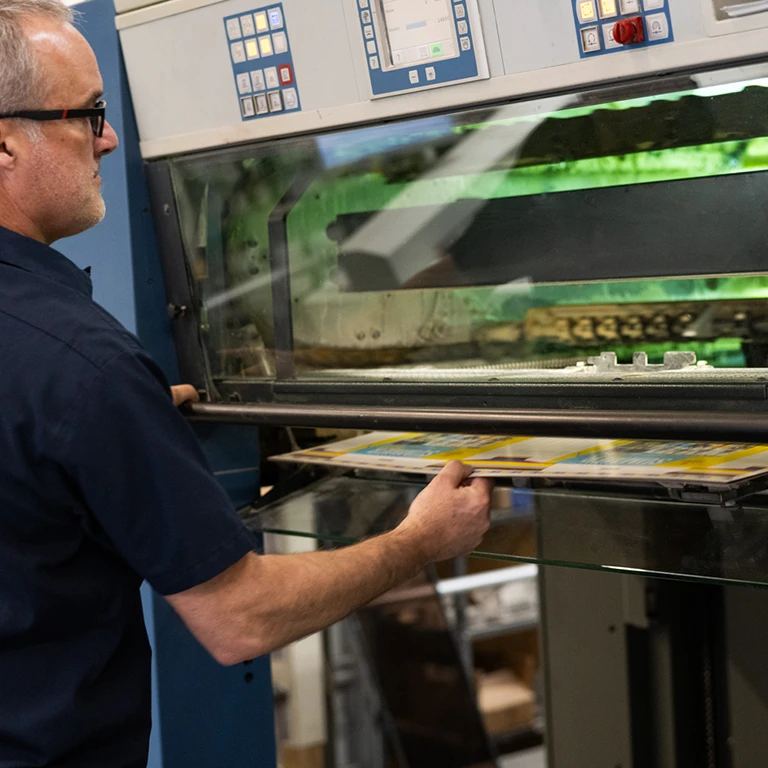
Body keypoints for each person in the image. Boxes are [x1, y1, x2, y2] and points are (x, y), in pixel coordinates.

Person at [0, 2, 493, 766]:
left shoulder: (75, 382)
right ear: (4, 141)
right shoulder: (84, 367)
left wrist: (109, 433)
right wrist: (419, 540)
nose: (110, 137)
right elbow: (239, 620)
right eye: (89, 114)